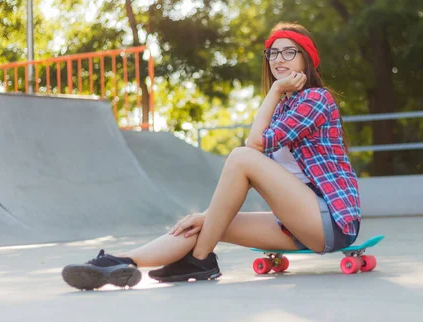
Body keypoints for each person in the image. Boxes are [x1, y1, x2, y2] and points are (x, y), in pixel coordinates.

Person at [61, 22, 362, 290]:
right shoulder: (282, 107)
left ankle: (201, 260)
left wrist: (273, 92)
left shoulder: (316, 98)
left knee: (241, 157)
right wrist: (207, 216)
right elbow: (262, 161)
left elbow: (254, 145)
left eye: (289, 52)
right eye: (273, 53)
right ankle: (121, 262)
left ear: (306, 60)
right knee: (201, 225)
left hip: (329, 221)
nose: (278, 59)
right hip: (295, 224)